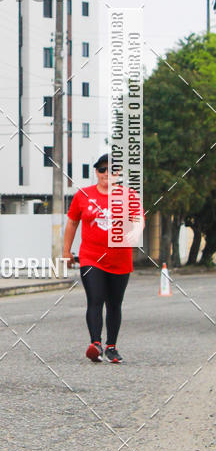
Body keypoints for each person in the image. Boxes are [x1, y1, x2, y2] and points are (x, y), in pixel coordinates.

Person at [62, 154, 144, 364]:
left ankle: (111, 347)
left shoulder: (129, 195)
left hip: (120, 259)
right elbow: (72, 223)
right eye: (102, 169)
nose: (107, 173)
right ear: (96, 172)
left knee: (114, 304)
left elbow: (138, 219)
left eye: (112, 170)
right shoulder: (83, 195)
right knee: (95, 299)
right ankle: (95, 344)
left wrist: (135, 232)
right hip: (91, 258)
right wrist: (66, 251)